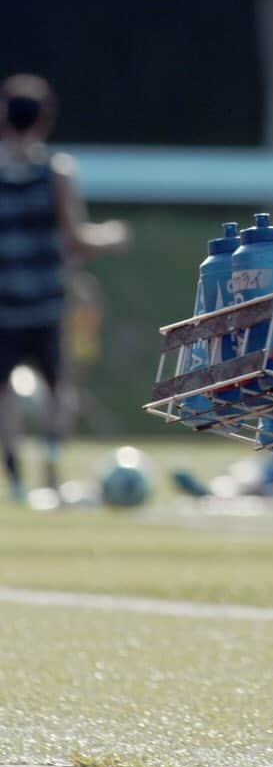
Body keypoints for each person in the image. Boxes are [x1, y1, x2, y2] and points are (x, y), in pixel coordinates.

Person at [0, 74, 126, 498]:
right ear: (44, 121)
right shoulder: (55, 173)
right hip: (46, 303)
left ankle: (15, 479)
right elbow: (76, 238)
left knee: (5, 396)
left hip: (4, 306)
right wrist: (113, 235)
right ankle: (50, 473)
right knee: (58, 390)